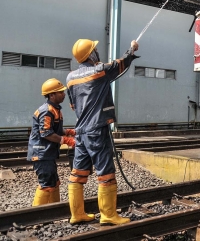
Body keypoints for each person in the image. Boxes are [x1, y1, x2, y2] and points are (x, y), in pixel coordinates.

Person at [66, 39, 139, 225]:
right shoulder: (99, 72)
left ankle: (77, 214)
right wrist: (132, 50)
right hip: (97, 129)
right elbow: (119, 64)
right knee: (106, 172)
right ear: (90, 55)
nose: (97, 52)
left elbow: (73, 105)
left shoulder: (70, 78)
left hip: (81, 130)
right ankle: (108, 215)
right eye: (95, 50)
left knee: (78, 174)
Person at [27, 78, 77, 206]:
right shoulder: (46, 111)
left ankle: (55, 212)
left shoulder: (55, 110)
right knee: (46, 184)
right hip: (41, 154)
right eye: (60, 92)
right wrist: (65, 140)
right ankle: (36, 216)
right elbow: (46, 133)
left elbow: (56, 129)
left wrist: (69, 132)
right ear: (52, 95)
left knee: (54, 182)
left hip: (47, 153)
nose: (63, 94)